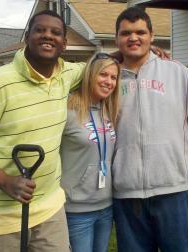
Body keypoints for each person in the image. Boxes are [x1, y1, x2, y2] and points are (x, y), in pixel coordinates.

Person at [0, 10, 85, 252]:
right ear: (27, 37)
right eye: (40, 30)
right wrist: (5, 181)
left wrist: (138, 55)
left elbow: (100, 67)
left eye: (56, 32)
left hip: (49, 208)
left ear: (64, 43)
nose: (48, 36)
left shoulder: (66, 74)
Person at [111, 7, 188, 252]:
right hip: (126, 193)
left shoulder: (175, 71)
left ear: (152, 35)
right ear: (117, 38)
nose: (133, 38)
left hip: (173, 189)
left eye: (140, 32)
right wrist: (109, 59)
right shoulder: (107, 76)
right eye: (126, 33)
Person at [60, 52, 120, 252]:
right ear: (90, 75)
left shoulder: (109, 110)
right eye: (103, 75)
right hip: (77, 209)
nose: (109, 82)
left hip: (106, 206)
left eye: (113, 77)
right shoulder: (67, 110)